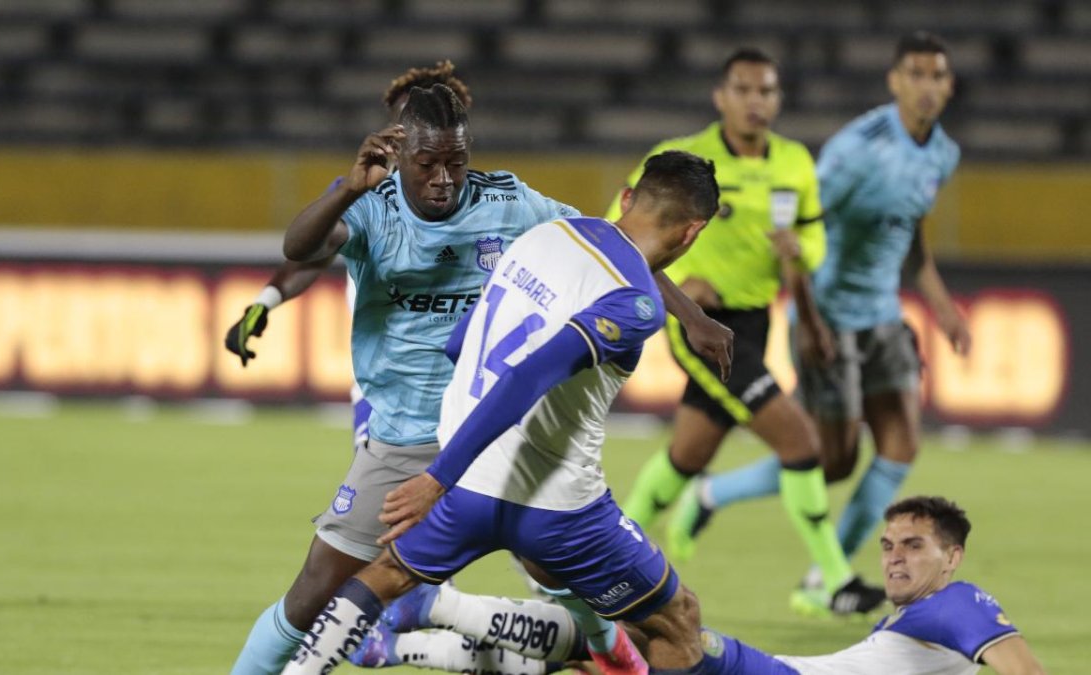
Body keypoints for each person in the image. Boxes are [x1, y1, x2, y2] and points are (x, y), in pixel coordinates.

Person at [231, 84, 732, 675]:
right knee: (317, 592)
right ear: (399, 156)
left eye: (456, 162)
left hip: (498, 436)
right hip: (411, 435)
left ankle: (606, 652)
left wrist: (690, 313)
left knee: (562, 582)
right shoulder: (372, 204)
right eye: (428, 165)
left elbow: (613, 250)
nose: (444, 177)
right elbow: (300, 247)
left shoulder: (510, 204)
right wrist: (344, 191)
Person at [684, 32, 972, 617]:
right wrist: (806, 314)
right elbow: (804, 226)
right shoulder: (856, 149)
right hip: (829, 315)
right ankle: (712, 490)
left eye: (936, 75)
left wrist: (939, 304)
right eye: (914, 74)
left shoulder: (943, 152)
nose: (926, 86)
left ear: (949, 86)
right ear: (894, 81)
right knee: (832, 460)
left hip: (884, 315)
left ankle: (824, 577)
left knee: (901, 442)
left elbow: (909, 228)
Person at [609, 48, 883, 616]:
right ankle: (833, 580)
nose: (756, 102)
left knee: (689, 451)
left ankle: (612, 543)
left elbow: (815, 241)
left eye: (767, 91)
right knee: (801, 442)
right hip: (702, 323)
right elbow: (621, 228)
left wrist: (798, 253)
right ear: (721, 97)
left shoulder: (794, 163)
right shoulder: (685, 161)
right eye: (744, 90)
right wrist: (685, 281)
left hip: (756, 321)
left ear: (778, 99)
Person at [222, 60, 474, 452]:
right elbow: (313, 253)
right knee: (391, 509)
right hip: (386, 390)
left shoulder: (491, 203)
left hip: (467, 386)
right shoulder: (361, 197)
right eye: (405, 120)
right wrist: (264, 302)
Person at [692, 496, 1045, 674]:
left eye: (914, 545)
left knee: (672, 621)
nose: (895, 557)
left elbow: (1027, 671)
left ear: (952, 558)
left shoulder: (957, 601)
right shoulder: (905, 623)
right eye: (888, 546)